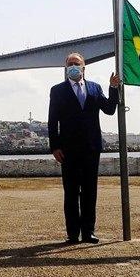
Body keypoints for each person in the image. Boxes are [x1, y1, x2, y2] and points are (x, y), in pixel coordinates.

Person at [48, 52, 119, 244]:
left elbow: (110, 109)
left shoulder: (95, 88)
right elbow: (52, 121)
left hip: (91, 148)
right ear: (66, 68)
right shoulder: (57, 90)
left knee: (89, 192)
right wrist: (55, 146)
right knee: (71, 192)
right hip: (68, 150)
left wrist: (113, 87)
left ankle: (88, 232)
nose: (73, 66)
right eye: (70, 64)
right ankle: (72, 234)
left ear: (83, 67)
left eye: (76, 63)